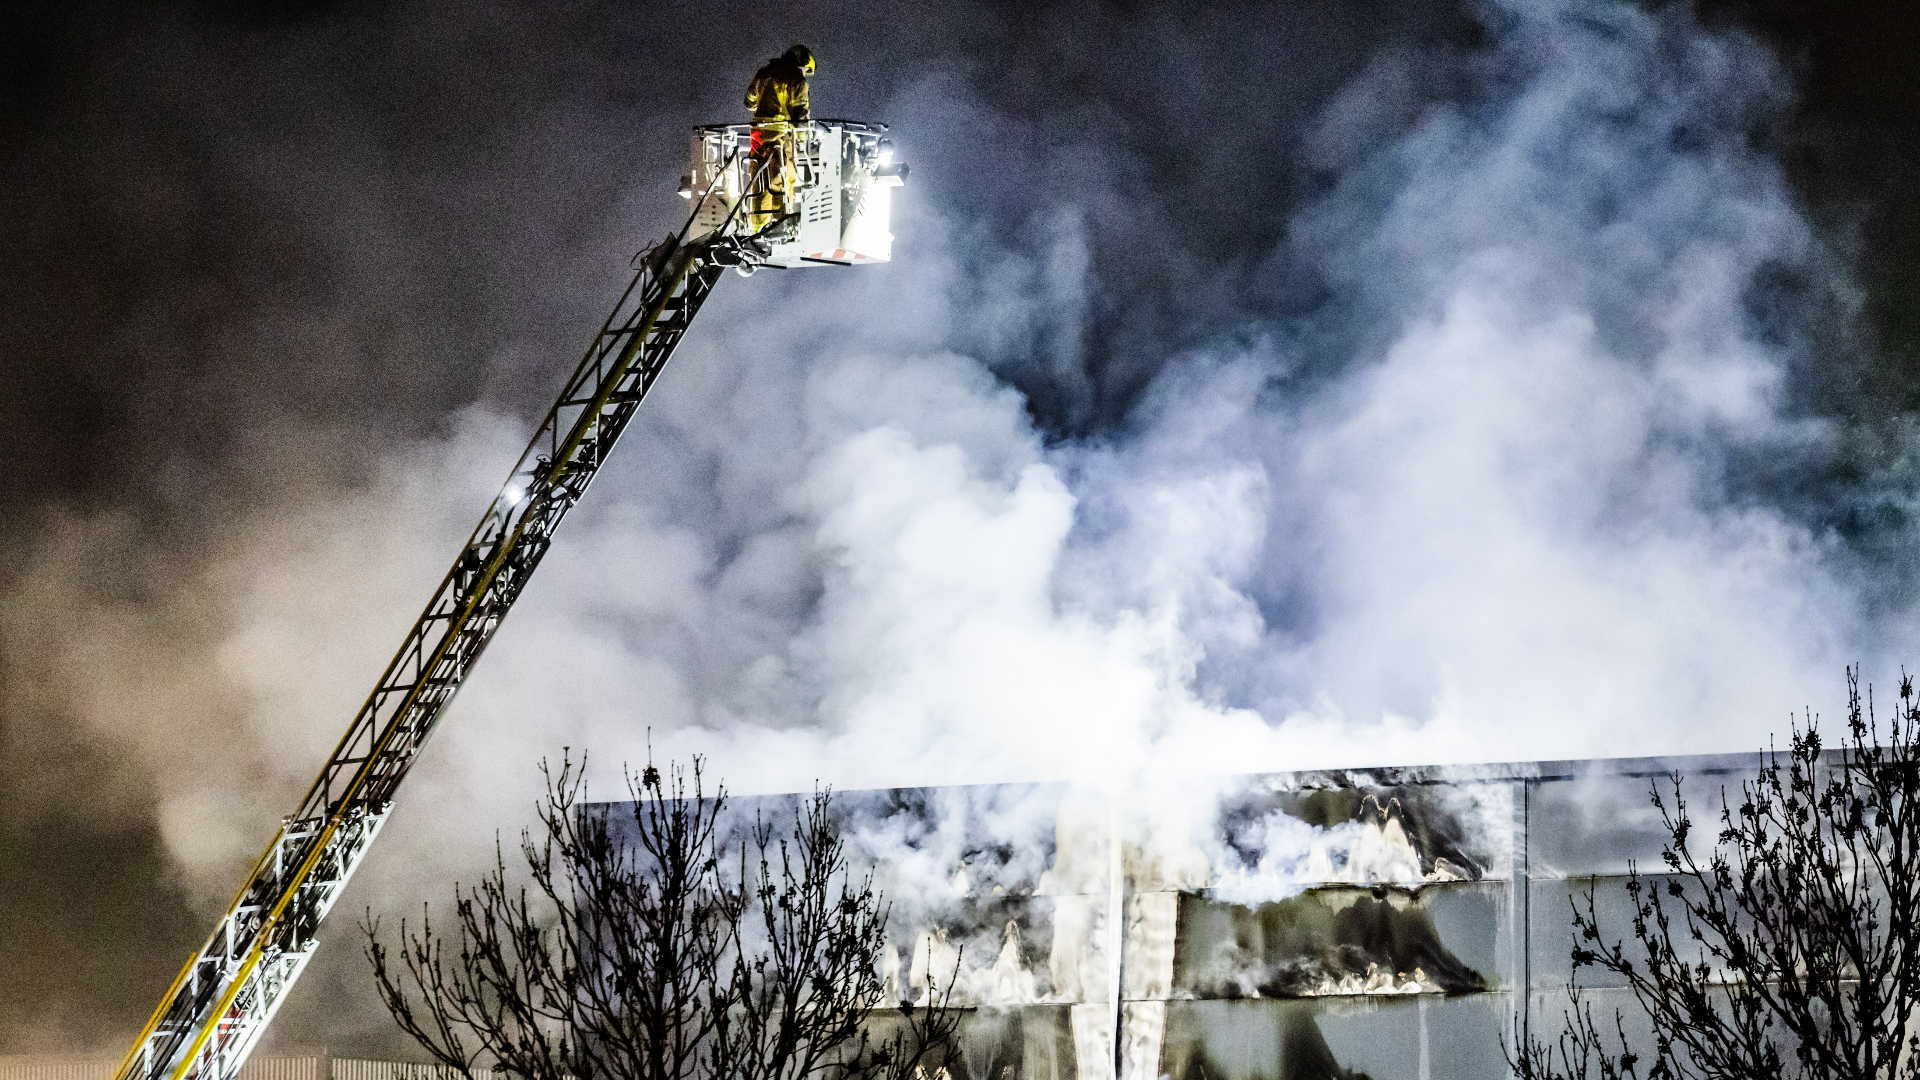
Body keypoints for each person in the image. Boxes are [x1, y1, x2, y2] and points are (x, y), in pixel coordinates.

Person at [743, 45, 814, 238]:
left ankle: (756, 228)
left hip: (757, 137)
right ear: (801, 63)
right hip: (780, 138)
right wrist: (805, 140)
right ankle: (780, 227)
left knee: (758, 181)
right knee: (782, 180)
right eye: (807, 70)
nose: (805, 74)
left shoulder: (763, 74)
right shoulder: (796, 80)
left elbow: (749, 102)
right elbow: (800, 116)